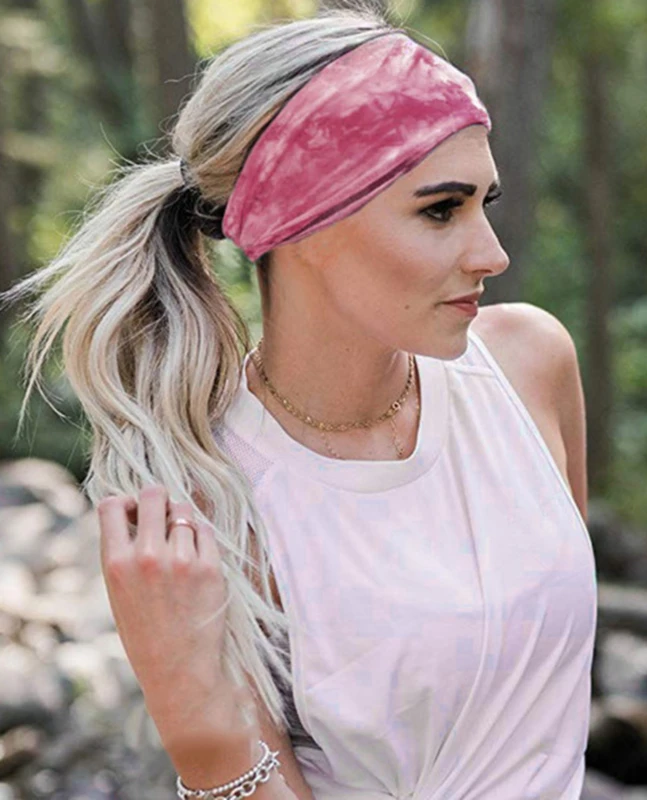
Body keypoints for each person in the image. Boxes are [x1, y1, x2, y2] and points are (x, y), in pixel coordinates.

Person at [2, 4, 597, 799]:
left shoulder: (530, 366)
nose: (492, 254)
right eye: (440, 209)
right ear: (305, 222)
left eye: (482, 203)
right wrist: (198, 727)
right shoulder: (209, 497)